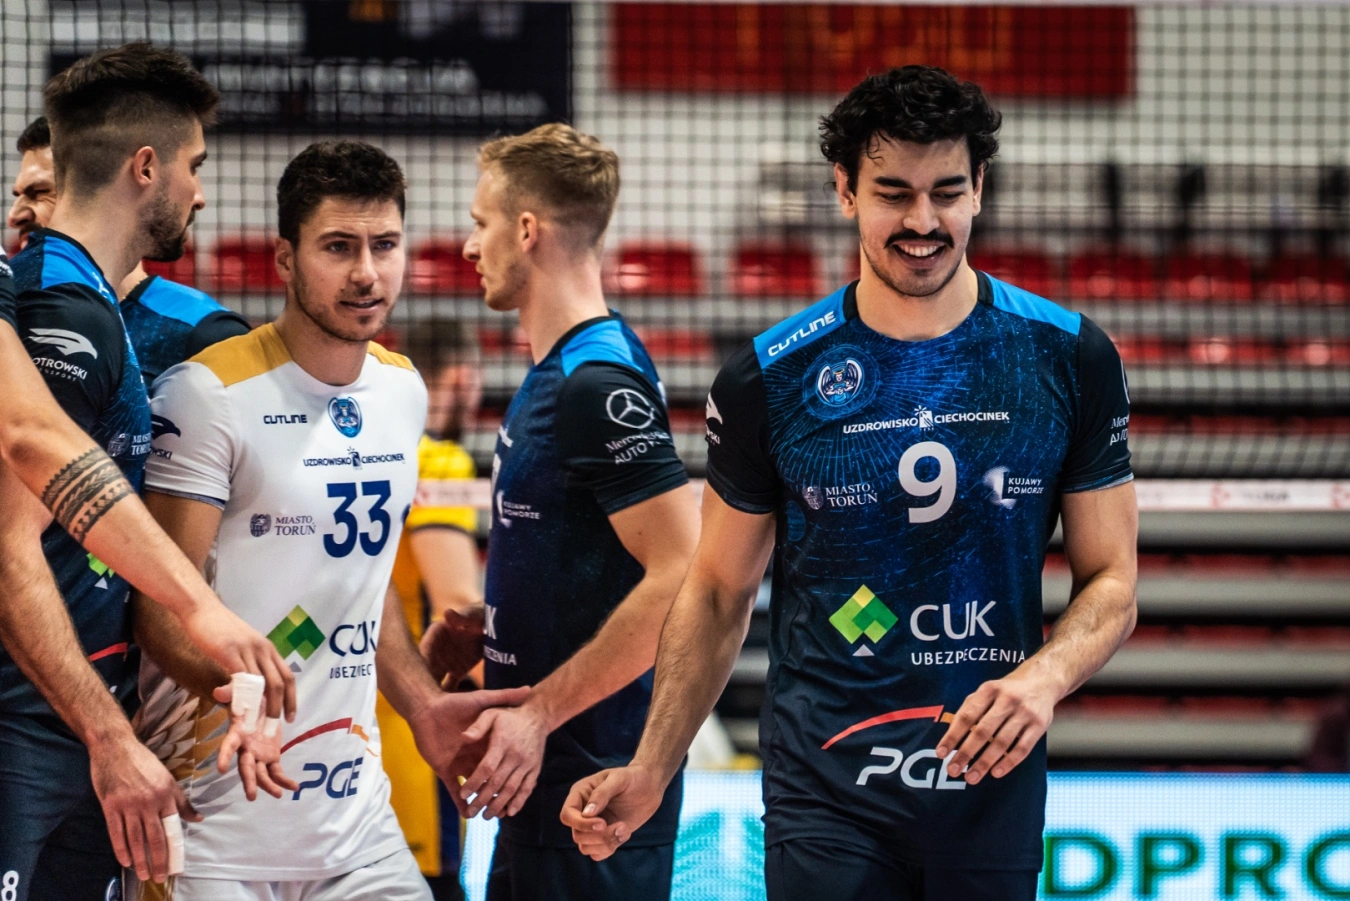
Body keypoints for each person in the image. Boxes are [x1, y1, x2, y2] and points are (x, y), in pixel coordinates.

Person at [561, 66, 1140, 901]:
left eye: (947, 192)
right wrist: (653, 764)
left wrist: (1042, 679)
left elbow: (1112, 579)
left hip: (987, 782)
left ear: (980, 187)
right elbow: (718, 589)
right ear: (844, 191)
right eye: (892, 193)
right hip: (825, 787)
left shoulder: (1069, 357)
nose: (922, 221)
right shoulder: (770, 376)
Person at [129, 140, 528, 901]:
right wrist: (239, 693)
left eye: (385, 246)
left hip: (354, 825)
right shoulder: (208, 394)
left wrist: (424, 706)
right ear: (285, 259)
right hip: (213, 821)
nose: (366, 273)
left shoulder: (402, 391)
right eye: (338, 247)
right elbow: (157, 603)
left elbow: (363, 588)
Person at [0, 44, 295, 901]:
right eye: (194, 166)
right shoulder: (59, 308)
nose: (199, 192)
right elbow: (12, 538)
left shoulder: (97, 304)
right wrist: (109, 733)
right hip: (29, 723)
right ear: (145, 167)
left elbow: (76, 488)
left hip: (81, 716)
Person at [441, 123, 700, 901]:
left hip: (591, 792)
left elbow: (685, 576)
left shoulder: (593, 382)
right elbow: (589, 555)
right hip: (546, 782)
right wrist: (497, 626)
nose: (469, 245)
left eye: (481, 222)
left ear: (527, 230)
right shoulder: (568, 364)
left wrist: (539, 711)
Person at [10, 115, 251, 387]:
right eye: (18, 196)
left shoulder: (203, 330)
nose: (14, 217)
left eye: (39, 191)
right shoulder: (12, 312)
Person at [379, 318, 484, 901]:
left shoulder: (362, 452)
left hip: (348, 736)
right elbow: (458, 613)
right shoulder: (439, 463)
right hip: (420, 749)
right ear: (463, 379)